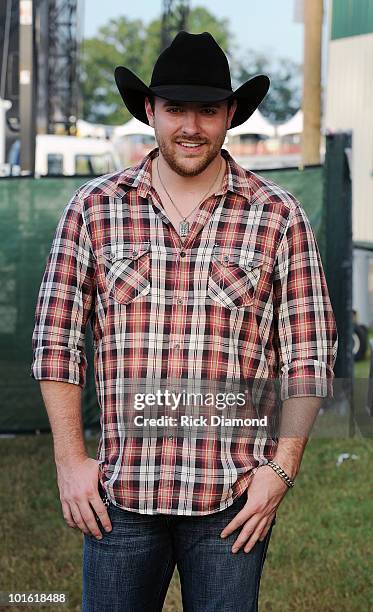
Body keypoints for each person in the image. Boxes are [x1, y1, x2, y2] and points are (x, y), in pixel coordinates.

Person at [30, 31, 338, 612]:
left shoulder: (277, 215)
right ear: (150, 110)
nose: (190, 126)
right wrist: (70, 463)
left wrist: (282, 469)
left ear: (231, 115)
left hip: (232, 501)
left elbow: (310, 352)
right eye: (174, 108)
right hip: (119, 499)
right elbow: (56, 343)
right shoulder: (93, 209)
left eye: (207, 109)